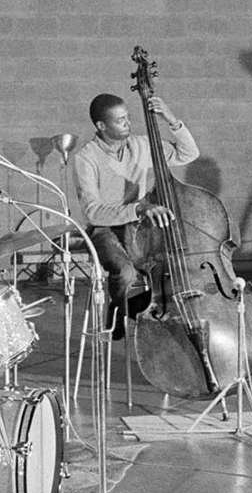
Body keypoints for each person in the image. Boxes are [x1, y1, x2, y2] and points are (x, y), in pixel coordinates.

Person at [71, 92, 198, 337]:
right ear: (101, 125)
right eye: (120, 120)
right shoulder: (85, 158)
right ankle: (119, 309)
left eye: (128, 117)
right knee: (127, 273)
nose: (128, 123)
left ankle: (144, 310)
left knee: (168, 267)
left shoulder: (141, 145)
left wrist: (171, 119)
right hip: (103, 229)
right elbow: (93, 212)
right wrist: (138, 208)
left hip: (137, 226)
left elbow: (188, 154)